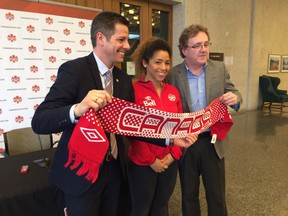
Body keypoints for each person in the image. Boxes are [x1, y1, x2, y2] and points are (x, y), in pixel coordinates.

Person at [31, 12, 194, 216]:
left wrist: (170, 139)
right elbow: (40, 121)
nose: (127, 46)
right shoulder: (75, 70)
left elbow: (135, 126)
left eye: (127, 40)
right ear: (101, 38)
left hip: (115, 171)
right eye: (121, 39)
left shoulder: (123, 80)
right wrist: (78, 109)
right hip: (83, 173)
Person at [166, 24, 243, 216]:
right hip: (187, 143)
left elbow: (233, 91)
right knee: (189, 195)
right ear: (184, 50)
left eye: (206, 44)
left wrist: (236, 98)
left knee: (217, 195)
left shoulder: (219, 69)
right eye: (197, 45)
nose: (204, 49)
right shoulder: (173, 75)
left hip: (213, 142)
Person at [127, 37, 197, 216]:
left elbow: (180, 127)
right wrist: (151, 160)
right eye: (158, 62)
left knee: (161, 207)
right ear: (145, 63)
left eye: (167, 63)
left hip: (169, 162)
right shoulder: (134, 90)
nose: (163, 67)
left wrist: (174, 155)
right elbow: (132, 132)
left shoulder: (172, 92)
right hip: (143, 164)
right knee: (141, 210)